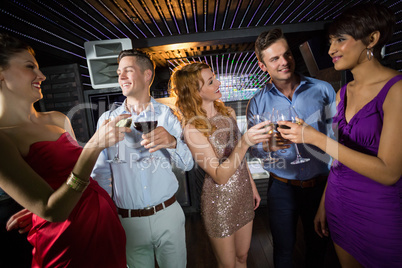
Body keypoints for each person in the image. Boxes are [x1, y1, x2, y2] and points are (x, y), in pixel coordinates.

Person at [279, 3, 402, 267]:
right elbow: (338, 157)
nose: (331, 49)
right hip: (339, 203)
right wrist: (325, 202)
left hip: (379, 211)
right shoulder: (342, 94)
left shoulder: (396, 91)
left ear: (372, 38)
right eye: (331, 41)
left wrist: (314, 138)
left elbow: (390, 172)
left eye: (340, 40)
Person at [0, 32, 129, 267]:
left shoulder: (58, 119)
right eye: (30, 67)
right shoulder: (3, 137)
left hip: (105, 228)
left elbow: (68, 183)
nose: (42, 75)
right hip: (67, 242)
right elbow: (53, 211)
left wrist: (32, 208)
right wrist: (93, 147)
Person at [91, 49, 194, 268]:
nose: (121, 77)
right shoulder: (108, 120)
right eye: (119, 72)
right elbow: (100, 173)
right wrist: (107, 215)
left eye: (128, 71)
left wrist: (173, 142)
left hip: (168, 215)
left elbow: (188, 163)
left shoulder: (167, 115)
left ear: (147, 75)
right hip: (127, 222)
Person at [247, 28, 336, 268]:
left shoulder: (323, 90)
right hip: (281, 188)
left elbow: (337, 140)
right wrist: (267, 146)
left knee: (318, 247)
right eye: (274, 58)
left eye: (286, 54)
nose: (284, 62)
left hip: (320, 184)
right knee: (283, 251)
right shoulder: (257, 102)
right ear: (263, 65)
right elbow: (254, 151)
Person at [170, 62, 266, 268]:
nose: (219, 83)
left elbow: (239, 159)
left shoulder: (229, 113)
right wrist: (246, 142)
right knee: (228, 265)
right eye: (211, 81)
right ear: (195, 92)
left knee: (242, 258)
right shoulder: (192, 129)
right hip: (218, 202)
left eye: (214, 77)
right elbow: (219, 176)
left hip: (243, 192)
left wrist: (252, 186)